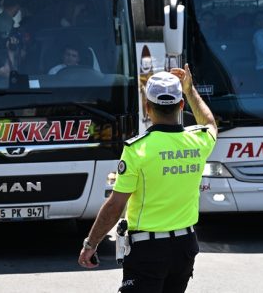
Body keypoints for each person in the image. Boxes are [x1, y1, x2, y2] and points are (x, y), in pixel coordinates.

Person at [78, 65, 217, 293]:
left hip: (148, 249)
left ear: (147, 107)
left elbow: (115, 205)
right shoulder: (199, 142)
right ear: (181, 105)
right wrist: (190, 90)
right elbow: (210, 123)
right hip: (185, 246)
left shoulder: (136, 150)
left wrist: (90, 244)